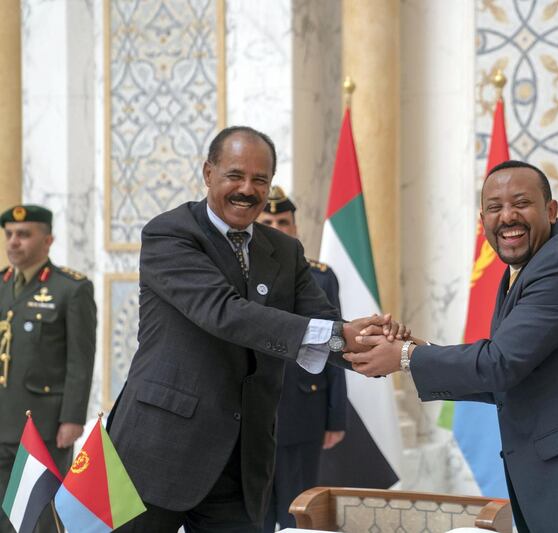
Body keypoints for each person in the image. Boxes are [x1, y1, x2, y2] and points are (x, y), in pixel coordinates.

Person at [108, 126, 402, 532]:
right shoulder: (170, 234)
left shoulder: (283, 249)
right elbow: (225, 313)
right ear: (208, 173)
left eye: (259, 180)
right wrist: (339, 334)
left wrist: (382, 346)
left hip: (244, 459)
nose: (247, 189)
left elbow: (326, 326)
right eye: (235, 175)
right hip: (160, 449)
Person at [346, 160, 558, 532]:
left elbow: (501, 364)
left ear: (551, 210)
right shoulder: (526, 269)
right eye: (494, 208)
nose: (507, 216)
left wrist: (405, 358)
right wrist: (417, 349)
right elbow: (510, 374)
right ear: (483, 220)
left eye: (521, 203)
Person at [0, 205, 96, 533]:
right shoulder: (0, 285)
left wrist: (72, 418)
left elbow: (80, 359)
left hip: (42, 425)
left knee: (39, 517)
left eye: (24, 234)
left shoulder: (71, 288)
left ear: (48, 240)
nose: (14, 242)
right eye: (9, 234)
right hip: (1, 419)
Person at [256, 186, 347, 531]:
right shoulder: (239, 272)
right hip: (253, 411)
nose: (277, 228)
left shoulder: (320, 277)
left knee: (299, 513)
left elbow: (336, 345)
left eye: (284, 221)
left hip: (303, 408)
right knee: (256, 512)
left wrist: (336, 416)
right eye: (269, 221)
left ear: (295, 228)